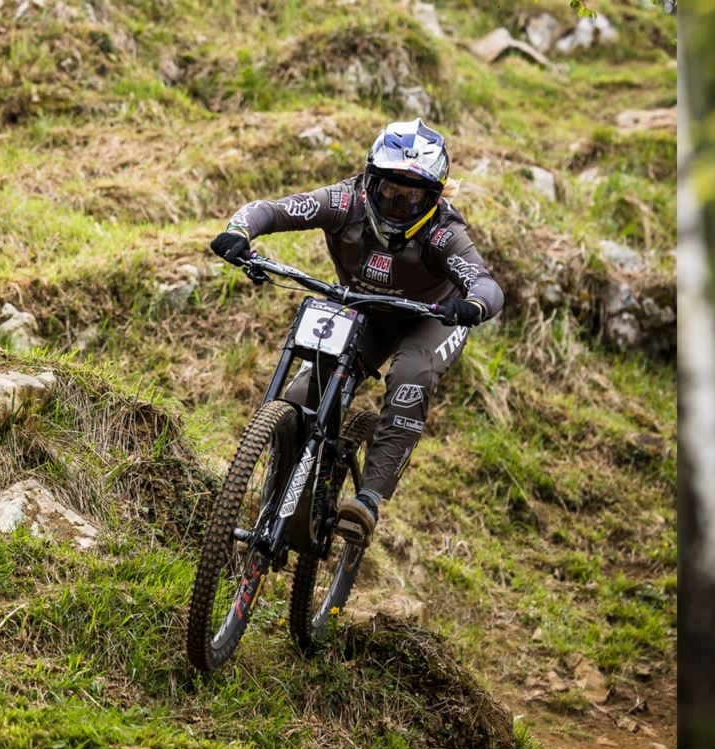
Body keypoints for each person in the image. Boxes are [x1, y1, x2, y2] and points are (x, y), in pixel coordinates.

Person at [210, 118, 504, 544]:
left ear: (434, 198)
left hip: (428, 319)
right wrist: (239, 232)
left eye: (411, 197)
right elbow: (272, 209)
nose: (396, 205)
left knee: (411, 375)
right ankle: (281, 502)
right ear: (369, 180)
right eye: (388, 190)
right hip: (363, 309)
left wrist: (472, 304)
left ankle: (366, 500)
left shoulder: (443, 233)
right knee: (300, 393)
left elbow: (486, 283)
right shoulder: (343, 202)